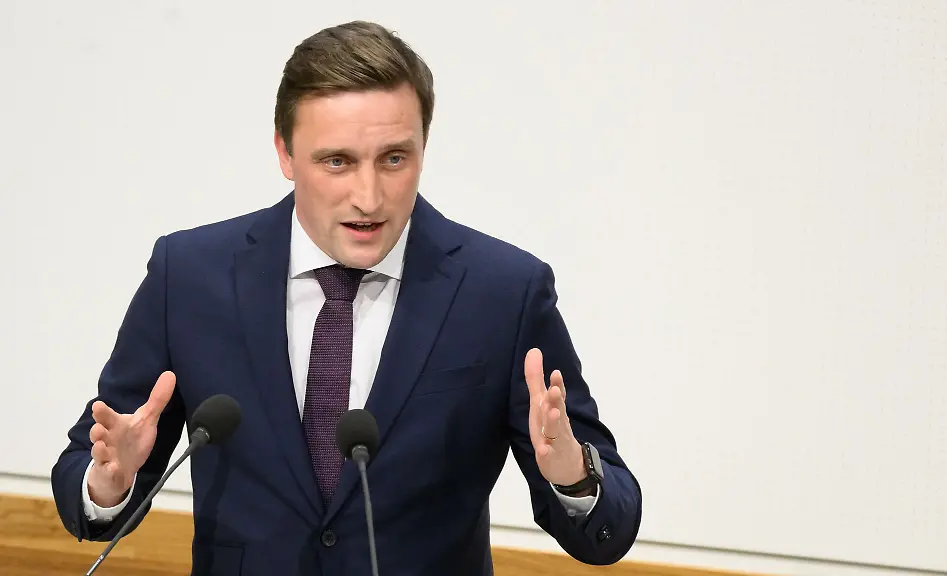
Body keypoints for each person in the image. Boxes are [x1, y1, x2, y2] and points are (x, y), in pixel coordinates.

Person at [50, 20, 641, 576]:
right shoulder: (190, 276)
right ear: (285, 153)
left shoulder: (503, 292)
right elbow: (87, 480)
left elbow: (609, 529)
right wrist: (109, 483)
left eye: (394, 159)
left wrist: (572, 476)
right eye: (337, 161)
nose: (369, 197)